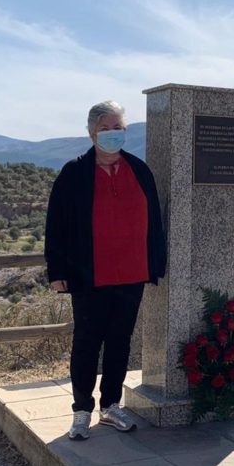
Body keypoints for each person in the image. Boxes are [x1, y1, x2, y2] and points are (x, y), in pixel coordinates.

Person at [45, 101, 166, 441]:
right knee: (86, 342)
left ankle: (111, 404)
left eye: (118, 128)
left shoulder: (139, 170)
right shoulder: (74, 172)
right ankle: (81, 410)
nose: (113, 135)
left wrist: (156, 262)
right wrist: (57, 270)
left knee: (120, 342)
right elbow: (56, 225)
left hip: (132, 272)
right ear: (91, 133)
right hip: (89, 273)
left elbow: (154, 221)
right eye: (106, 129)